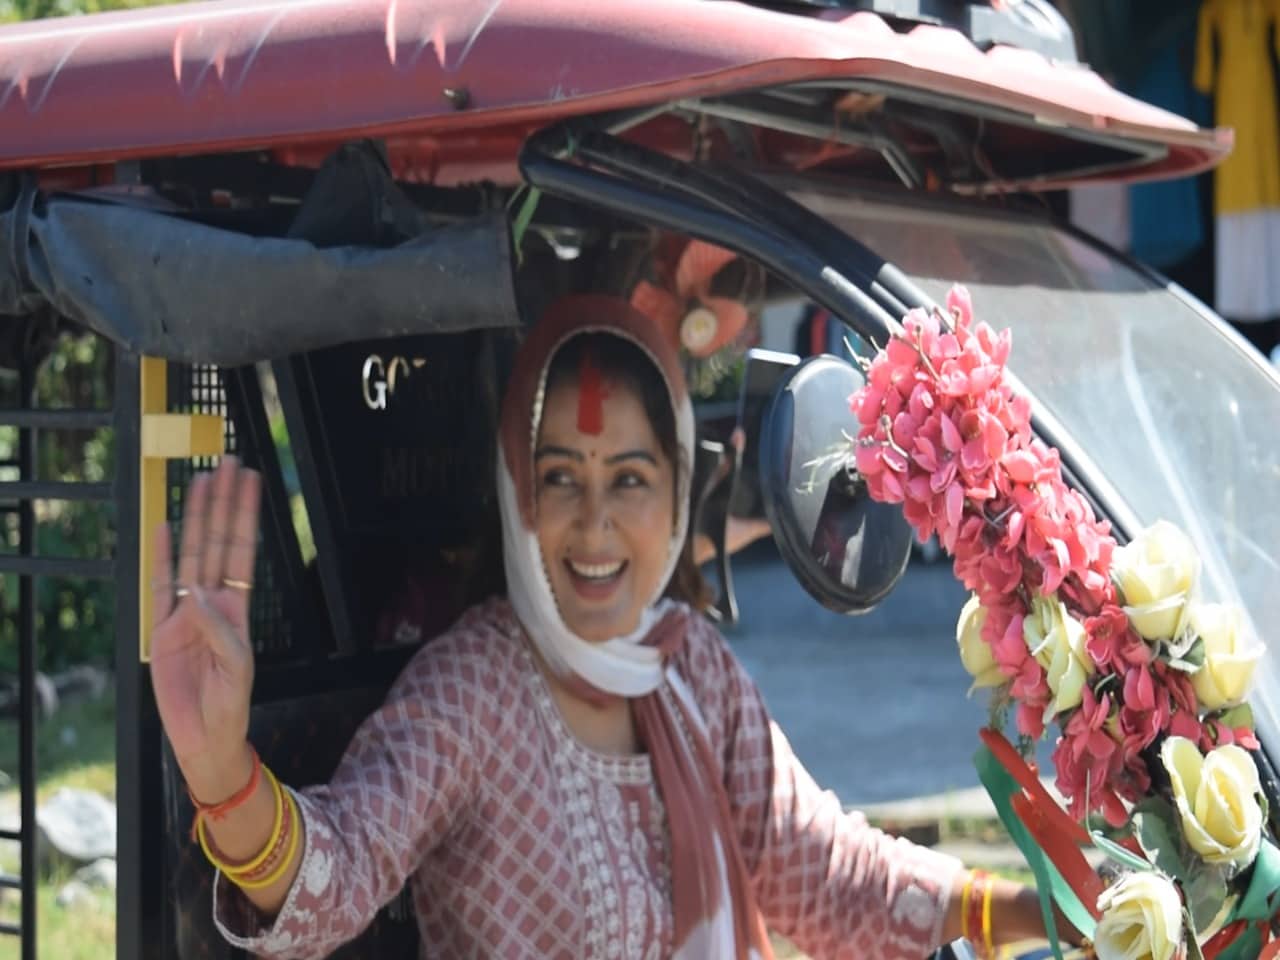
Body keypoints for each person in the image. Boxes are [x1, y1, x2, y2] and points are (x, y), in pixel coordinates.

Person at [150, 295, 1079, 959]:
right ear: (519, 494)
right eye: (561, 477)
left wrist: (1052, 910)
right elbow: (338, 877)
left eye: (629, 478)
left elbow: (824, 876)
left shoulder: (687, 663)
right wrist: (222, 776)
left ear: (676, 495)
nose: (594, 523)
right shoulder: (472, 689)